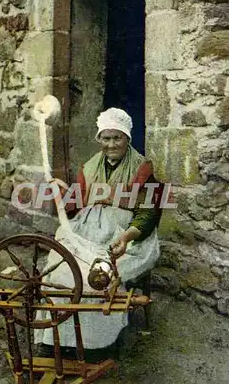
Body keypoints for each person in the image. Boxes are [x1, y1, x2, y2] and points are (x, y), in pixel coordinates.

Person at [34, 108, 164, 360]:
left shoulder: (142, 168)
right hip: (87, 228)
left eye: (117, 138)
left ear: (127, 138)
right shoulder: (90, 166)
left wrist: (126, 237)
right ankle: (55, 339)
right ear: (99, 139)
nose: (111, 144)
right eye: (106, 138)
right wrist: (62, 190)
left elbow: (147, 213)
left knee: (101, 275)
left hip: (124, 232)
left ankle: (98, 345)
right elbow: (76, 205)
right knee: (61, 269)